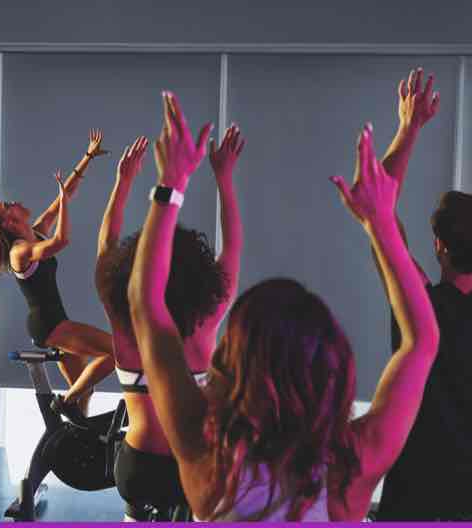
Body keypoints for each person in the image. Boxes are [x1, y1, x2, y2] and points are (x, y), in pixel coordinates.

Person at [127, 91, 439, 521]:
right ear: (333, 366)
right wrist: (381, 222)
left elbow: (146, 307)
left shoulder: (207, 457)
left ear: (232, 360)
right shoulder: (350, 470)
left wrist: (172, 184)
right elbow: (422, 341)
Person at [93, 126, 243, 520]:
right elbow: (234, 247)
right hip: (188, 466)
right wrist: (223, 178)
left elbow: (106, 244)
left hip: (135, 469)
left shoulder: (125, 321)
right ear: (200, 276)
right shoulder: (205, 324)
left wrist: (123, 182)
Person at [371, 69, 472, 521]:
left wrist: (409, 127)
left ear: (440, 247)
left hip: (415, 498)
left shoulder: (421, 310)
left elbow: (379, 213)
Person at [0, 131, 114, 412]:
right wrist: (63, 200)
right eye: (8, 206)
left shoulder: (35, 232)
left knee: (84, 391)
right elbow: (62, 241)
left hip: (57, 321)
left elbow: (69, 192)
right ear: (7, 222)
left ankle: (79, 442)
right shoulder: (19, 252)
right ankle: (62, 404)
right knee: (117, 352)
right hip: (50, 326)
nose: (14, 201)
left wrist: (88, 156)